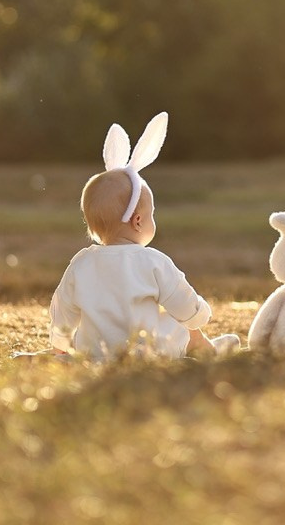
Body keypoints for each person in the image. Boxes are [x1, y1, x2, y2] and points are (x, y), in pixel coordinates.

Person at [49, 115, 239, 361]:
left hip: (95, 354)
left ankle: (58, 358)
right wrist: (200, 315)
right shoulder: (153, 262)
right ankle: (206, 349)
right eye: (151, 215)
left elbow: (62, 309)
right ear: (138, 221)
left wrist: (60, 344)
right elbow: (182, 301)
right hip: (147, 354)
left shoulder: (80, 263)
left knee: (87, 334)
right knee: (182, 323)